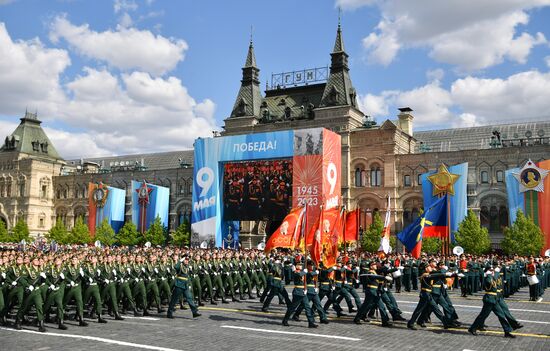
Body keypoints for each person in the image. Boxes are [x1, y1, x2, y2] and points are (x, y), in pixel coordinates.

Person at [468, 266, 515, 338]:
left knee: (501, 315)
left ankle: (507, 331)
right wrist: (490, 274)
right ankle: (472, 328)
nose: (493, 272)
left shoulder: (493, 277)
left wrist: (495, 273)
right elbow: (491, 282)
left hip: (494, 299)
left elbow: (498, 281)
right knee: (483, 316)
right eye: (491, 270)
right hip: (489, 300)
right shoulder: (488, 278)